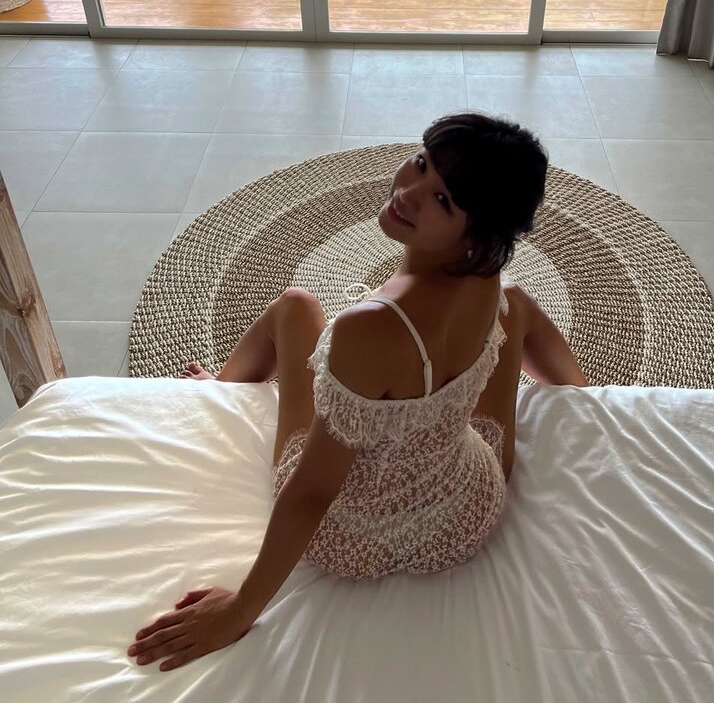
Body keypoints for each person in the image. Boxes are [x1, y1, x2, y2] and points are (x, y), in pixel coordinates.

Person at [130, 111, 588, 672]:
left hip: (350, 533)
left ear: (477, 234)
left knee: (295, 307)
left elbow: (312, 491)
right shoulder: (488, 274)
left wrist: (238, 611)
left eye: (442, 199)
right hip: (463, 512)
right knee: (518, 306)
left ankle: (222, 392)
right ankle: (584, 395)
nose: (409, 192)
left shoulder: (368, 329)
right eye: (421, 163)